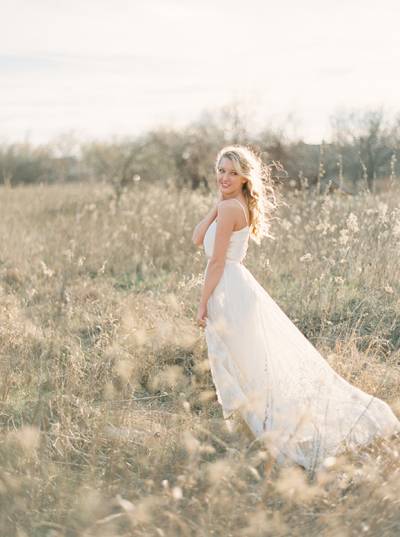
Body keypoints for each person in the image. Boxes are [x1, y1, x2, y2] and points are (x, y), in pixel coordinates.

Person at [192, 144, 400, 473]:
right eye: (221, 170)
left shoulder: (232, 208)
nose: (225, 177)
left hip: (228, 289)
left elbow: (216, 261)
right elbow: (197, 237)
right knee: (247, 365)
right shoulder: (230, 205)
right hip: (232, 287)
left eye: (233, 172)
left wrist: (202, 303)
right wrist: (216, 205)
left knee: (250, 366)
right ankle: (265, 429)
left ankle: (278, 433)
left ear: (246, 178)